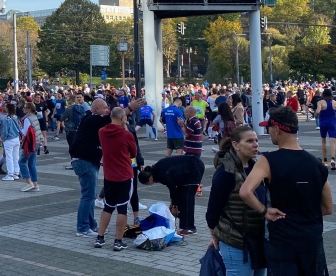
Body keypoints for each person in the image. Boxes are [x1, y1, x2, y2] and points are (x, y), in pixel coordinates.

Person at [240, 107, 332, 276]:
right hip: (311, 239)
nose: (268, 133)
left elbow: (245, 191)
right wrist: (305, 214)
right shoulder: (316, 163)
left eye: (268, 128)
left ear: (277, 129)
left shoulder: (268, 161)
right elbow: (328, 208)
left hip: (281, 239)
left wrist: (264, 211)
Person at [206, 126, 267, 276]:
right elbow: (213, 209)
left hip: (258, 238)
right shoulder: (226, 172)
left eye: (256, 140)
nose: (255, 145)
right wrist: (215, 235)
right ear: (235, 145)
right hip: (236, 240)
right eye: (249, 141)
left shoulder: (256, 168)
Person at [94, 108, 136, 252]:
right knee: (123, 208)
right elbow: (133, 153)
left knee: (108, 206)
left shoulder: (102, 132)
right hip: (124, 175)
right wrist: (126, 129)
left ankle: (100, 237)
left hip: (109, 175)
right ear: (122, 118)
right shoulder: (127, 135)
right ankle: (118, 240)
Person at [70, 97, 111, 237]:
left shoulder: (91, 118)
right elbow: (110, 119)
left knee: (90, 195)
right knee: (88, 196)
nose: (107, 110)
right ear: (97, 109)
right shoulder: (92, 119)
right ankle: (82, 228)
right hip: (84, 161)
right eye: (105, 108)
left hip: (88, 161)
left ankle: (91, 225)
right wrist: (129, 109)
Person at [138, 155, 205, 236]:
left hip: (193, 169)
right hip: (184, 173)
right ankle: (184, 226)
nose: (150, 184)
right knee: (181, 198)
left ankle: (190, 228)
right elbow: (173, 189)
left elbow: (172, 188)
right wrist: (173, 203)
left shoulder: (161, 174)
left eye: (148, 184)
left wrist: (174, 206)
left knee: (186, 199)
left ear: (150, 179)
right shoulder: (156, 170)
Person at [19, 102, 43, 192]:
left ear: (29, 109)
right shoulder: (34, 116)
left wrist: (19, 128)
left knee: (22, 161)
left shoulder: (27, 119)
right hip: (36, 141)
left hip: (30, 143)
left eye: (25, 107)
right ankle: (35, 184)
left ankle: (29, 182)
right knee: (32, 163)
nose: (23, 109)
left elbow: (25, 132)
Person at [315, 89, 336, 170]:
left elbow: (317, 111)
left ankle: (325, 160)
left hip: (323, 123)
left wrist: (316, 115)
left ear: (323, 95)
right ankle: (333, 159)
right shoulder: (334, 102)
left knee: (323, 141)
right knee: (333, 141)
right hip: (332, 123)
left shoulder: (320, 102)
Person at [0, 103, 21, 181]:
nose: (5, 108)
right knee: (16, 156)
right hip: (16, 138)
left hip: (9, 139)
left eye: (6, 107)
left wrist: (3, 137)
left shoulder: (6, 119)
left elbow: (5, 130)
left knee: (9, 157)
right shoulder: (16, 117)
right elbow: (19, 127)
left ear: (8, 109)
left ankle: (10, 174)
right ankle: (16, 173)